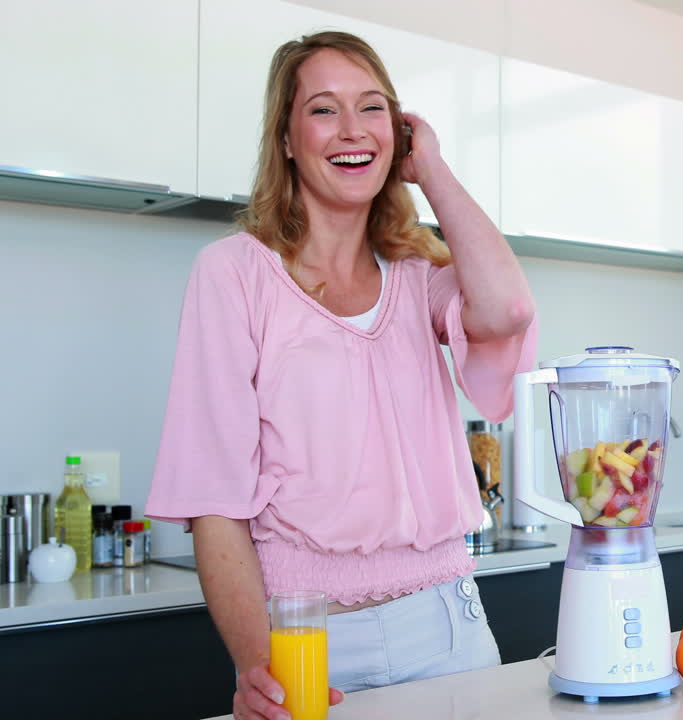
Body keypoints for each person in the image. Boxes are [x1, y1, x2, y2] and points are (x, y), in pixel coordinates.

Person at [145, 30, 536, 720]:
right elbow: (215, 499)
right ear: (287, 140)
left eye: (373, 108)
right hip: (311, 639)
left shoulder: (419, 278)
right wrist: (254, 664)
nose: (352, 130)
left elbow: (506, 308)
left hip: (452, 626)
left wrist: (433, 170)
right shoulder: (234, 275)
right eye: (323, 110)